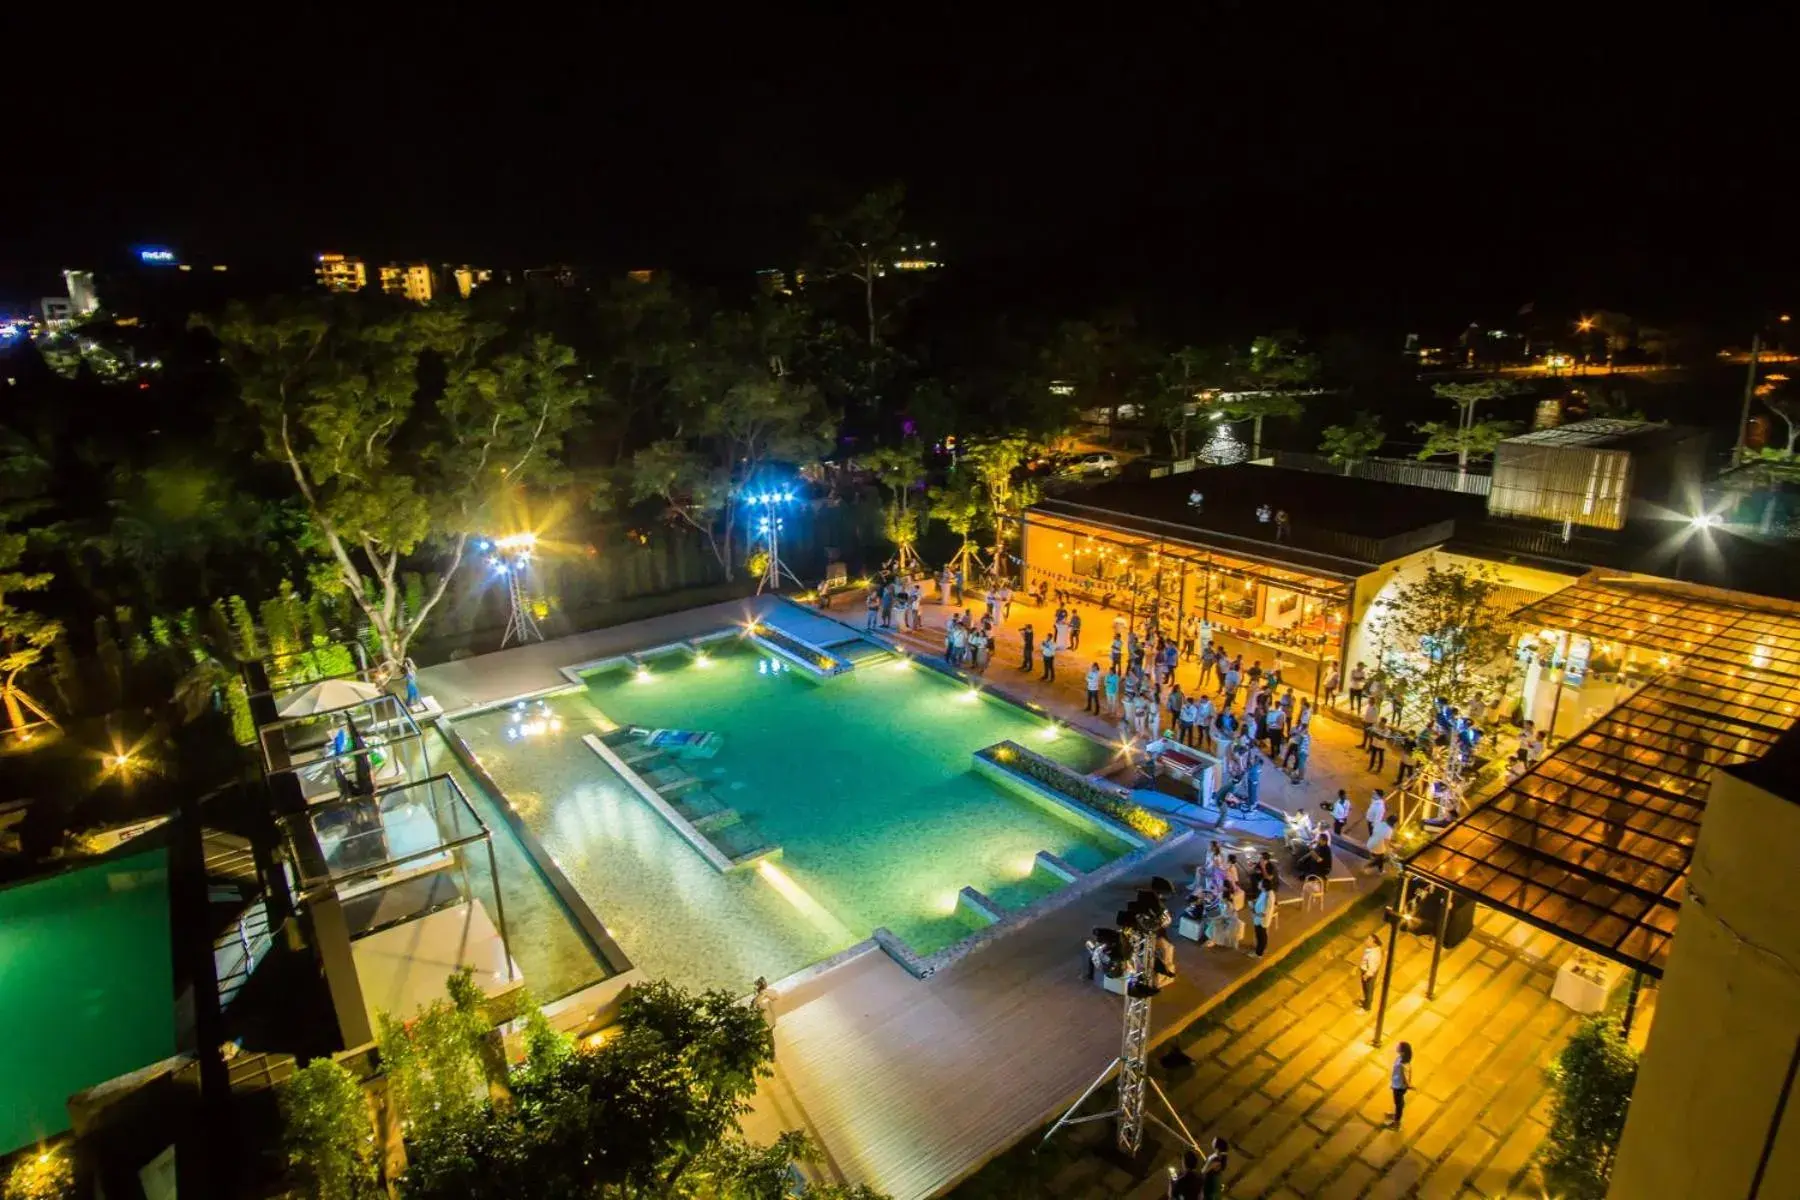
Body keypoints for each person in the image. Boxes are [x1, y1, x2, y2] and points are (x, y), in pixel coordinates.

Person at [1388, 1042, 1414, 1127]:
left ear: (1402, 1052)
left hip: (1399, 1087)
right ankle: (1396, 1116)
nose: (1396, 1047)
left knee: (1398, 1104)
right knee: (1398, 1102)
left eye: (1398, 1047)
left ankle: (1397, 1122)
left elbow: (1406, 1077)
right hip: (1396, 1084)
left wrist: (1409, 1085)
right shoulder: (1399, 1058)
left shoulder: (1404, 1065)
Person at [1358, 933, 1382, 1010]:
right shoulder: (1371, 949)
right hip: (1365, 971)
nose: (1366, 941)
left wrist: (1366, 975)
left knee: (1368, 990)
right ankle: (1365, 1002)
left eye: (1368, 939)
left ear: (1373, 942)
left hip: (1368, 973)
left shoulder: (1373, 954)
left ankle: (1366, 1008)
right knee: (1366, 989)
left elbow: (1372, 968)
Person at [1250, 875, 1273, 957]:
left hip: (1261, 920)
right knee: (1261, 935)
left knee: (1261, 936)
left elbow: (1264, 912)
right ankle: (1262, 948)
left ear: (1264, 886)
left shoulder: (1268, 896)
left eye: (1260, 883)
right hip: (1258, 918)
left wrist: (1254, 912)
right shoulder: (1265, 892)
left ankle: (1259, 953)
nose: (1258, 883)